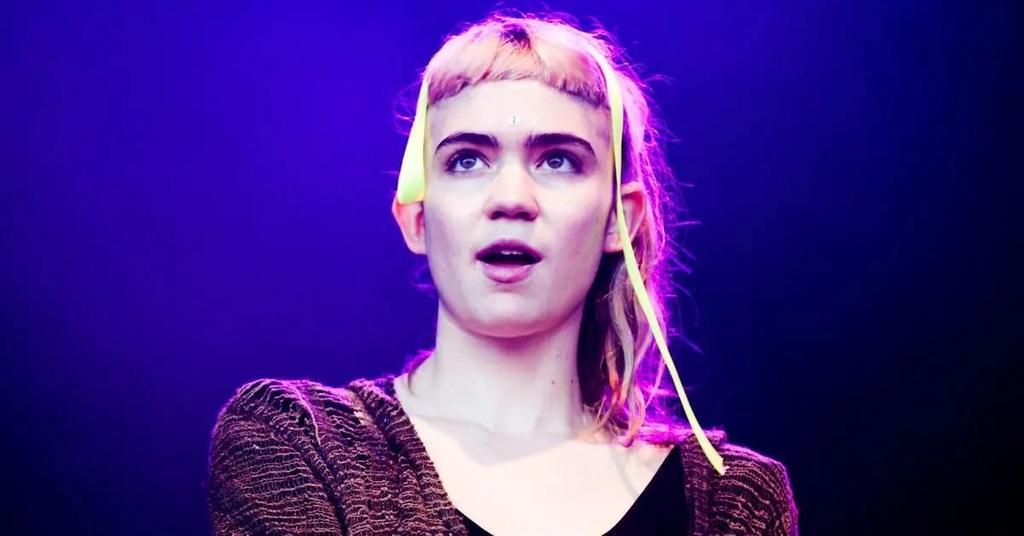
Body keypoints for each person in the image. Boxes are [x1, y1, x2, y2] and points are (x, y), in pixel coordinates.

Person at [207, 12, 798, 535]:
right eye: (467, 160)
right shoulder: (303, 445)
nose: (511, 198)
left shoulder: (733, 501)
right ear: (417, 217)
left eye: (558, 160)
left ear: (620, 219)